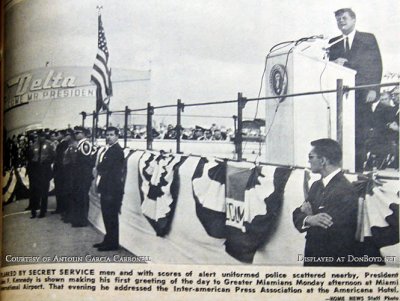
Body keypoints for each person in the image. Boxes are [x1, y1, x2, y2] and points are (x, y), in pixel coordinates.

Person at [329, 8, 382, 172]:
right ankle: (340, 170)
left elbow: (376, 65)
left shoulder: (367, 38)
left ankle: (357, 172)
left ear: (353, 20)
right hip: (340, 98)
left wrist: (374, 89)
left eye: (344, 18)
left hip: (362, 95)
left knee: (359, 135)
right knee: (340, 135)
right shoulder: (333, 43)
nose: (341, 21)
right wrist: (334, 63)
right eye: (338, 19)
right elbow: (329, 69)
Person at [292, 138, 359, 266]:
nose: (308, 161)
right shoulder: (316, 186)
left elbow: (328, 227)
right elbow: (297, 214)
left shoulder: (345, 189)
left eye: (311, 157)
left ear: (323, 160)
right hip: (314, 258)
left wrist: (309, 215)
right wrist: (310, 219)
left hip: (333, 263)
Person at [93, 127, 125, 251]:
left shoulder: (116, 151)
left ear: (117, 136)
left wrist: (99, 167)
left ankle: (112, 243)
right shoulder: (110, 149)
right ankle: (108, 240)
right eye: (107, 135)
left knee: (111, 217)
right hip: (107, 188)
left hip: (111, 189)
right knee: (107, 216)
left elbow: (105, 167)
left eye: (111, 134)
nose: (108, 137)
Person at [71, 126, 97, 227]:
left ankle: (82, 220)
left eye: (78, 133)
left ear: (84, 134)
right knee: (79, 197)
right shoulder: (80, 144)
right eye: (75, 133)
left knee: (82, 198)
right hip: (80, 176)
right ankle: (79, 219)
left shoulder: (85, 145)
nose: (76, 134)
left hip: (83, 176)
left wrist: (82, 175)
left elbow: (86, 162)